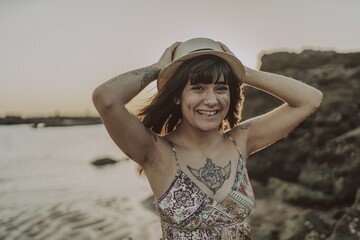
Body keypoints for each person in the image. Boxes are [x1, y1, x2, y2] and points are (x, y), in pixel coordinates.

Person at [92, 37, 323, 239]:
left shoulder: (241, 140)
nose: (211, 100)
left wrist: (244, 72)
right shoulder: (155, 152)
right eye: (198, 89)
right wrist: (159, 68)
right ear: (177, 97)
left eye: (221, 88)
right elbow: (106, 98)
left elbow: (310, 99)